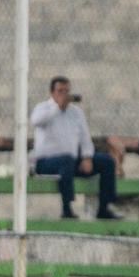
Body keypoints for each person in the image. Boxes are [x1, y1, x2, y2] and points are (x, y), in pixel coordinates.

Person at [31, 76, 121, 220]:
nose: (64, 94)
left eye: (66, 91)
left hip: (70, 162)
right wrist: (57, 107)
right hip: (47, 162)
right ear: (52, 92)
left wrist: (87, 157)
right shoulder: (43, 108)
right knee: (66, 160)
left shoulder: (76, 113)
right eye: (60, 91)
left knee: (107, 162)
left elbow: (85, 138)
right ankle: (67, 208)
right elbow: (36, 121)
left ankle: (104, 207)